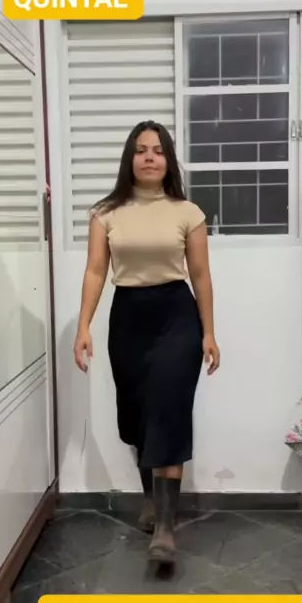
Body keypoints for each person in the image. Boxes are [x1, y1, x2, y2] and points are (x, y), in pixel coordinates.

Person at [73, 120, 220, 567]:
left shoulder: (188, 213)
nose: (150, 157)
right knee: (137, 415)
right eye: (141, 150)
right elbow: (96, 271)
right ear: (130, 159)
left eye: (157, 150)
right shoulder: (106, 213)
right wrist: (84, 326)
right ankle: (151, 500)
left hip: (177, 317)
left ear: (168, 160)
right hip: (128, 318)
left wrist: (209, 332)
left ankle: (166, 529)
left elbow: (200, 276)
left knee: (169, 412)